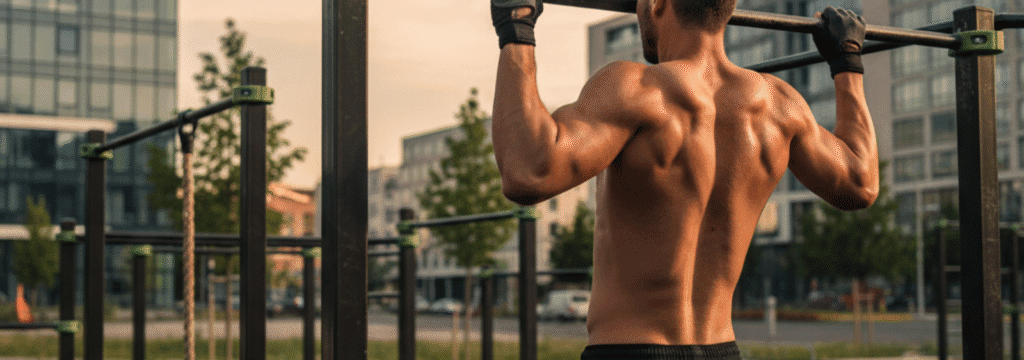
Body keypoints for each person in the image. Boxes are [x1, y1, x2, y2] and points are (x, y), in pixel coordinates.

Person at [490, 0, 878, 359]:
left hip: (630, 350)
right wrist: (847, 62)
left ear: (656, 3)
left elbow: (529, 171)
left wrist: (517, 26)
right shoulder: (779, 106)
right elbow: (860, 182)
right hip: (721, 350)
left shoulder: (636, 88)